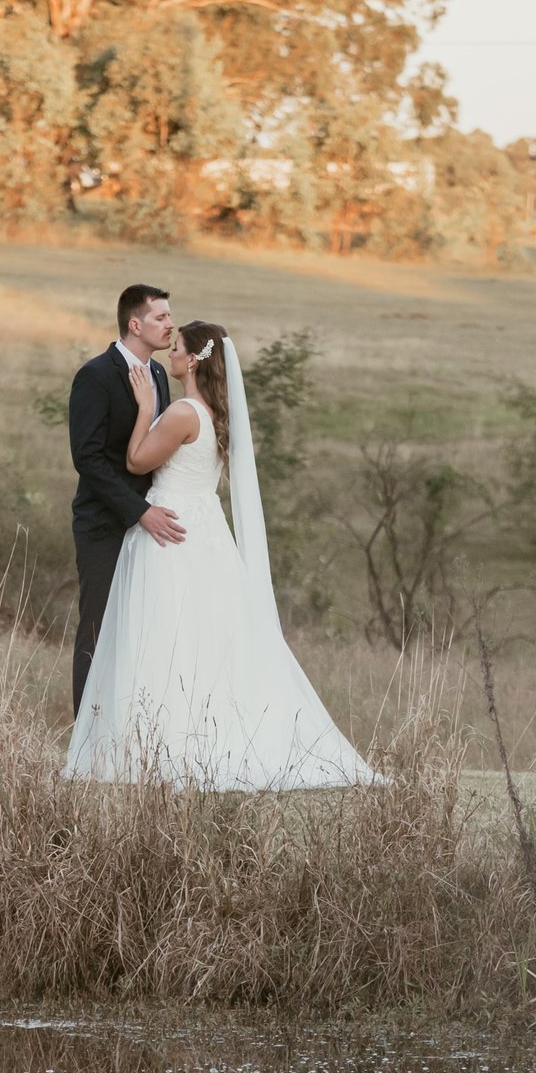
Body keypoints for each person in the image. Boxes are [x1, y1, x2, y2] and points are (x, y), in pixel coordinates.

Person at [62, 315, 380, 791]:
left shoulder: (182, 412)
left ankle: (155, 744)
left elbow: (135, 461)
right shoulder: (211, 411)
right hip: (204, 530)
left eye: (177, 349)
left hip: (167, 533)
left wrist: (146, 407)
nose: (169, 352)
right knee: (201, 637)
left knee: (163, 636)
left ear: (192, 360)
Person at [66, 285, 188, 716]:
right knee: (98, 629)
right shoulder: (96, 375)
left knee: (142, 629)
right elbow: (89, 458)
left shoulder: (157, 376)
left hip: (152, 526)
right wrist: (140, 512)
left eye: (170, 316)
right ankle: (85, 734)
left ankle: (129, 726)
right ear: (135, 325)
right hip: (105, 524)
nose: (170, 324)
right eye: (161, 317)